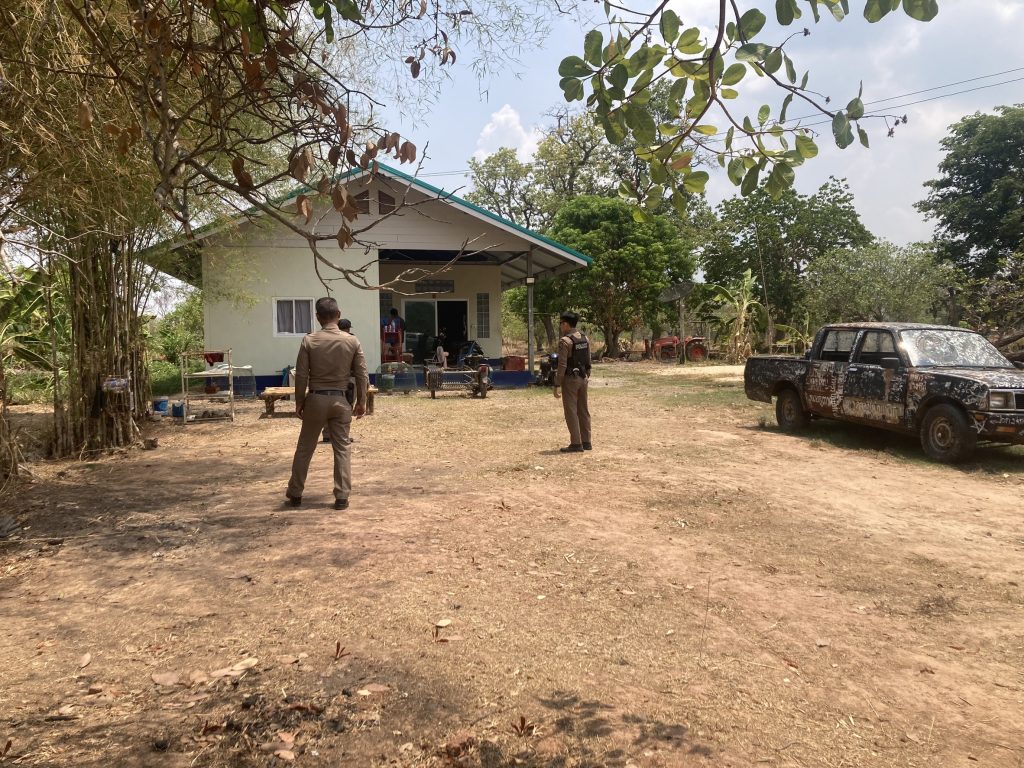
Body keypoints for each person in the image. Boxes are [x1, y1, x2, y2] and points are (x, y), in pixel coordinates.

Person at [287, 297, 369, 510]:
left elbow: (301, 374)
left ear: (317, 317)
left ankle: (295, 493)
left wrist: (299, 401)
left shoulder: (309, 341)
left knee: (305, 448)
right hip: (341, 400)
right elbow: (362, 374)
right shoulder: (352, 341)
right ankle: (341, 496)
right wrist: (362, 401)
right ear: (338, 315)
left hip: (315, 399)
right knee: (342, 448)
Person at [554, 311, 592, 453]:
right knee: (583, 410)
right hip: (583, 378)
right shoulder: (584, 338)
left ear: (566, 324)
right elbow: (588, 360)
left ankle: (576, 443)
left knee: (571, 411)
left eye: (561, 323)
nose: (561, 326)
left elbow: (562, 364)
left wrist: (557, 383)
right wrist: (587, 375)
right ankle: (586, 441)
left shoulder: (565, 341)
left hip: (570, 379)